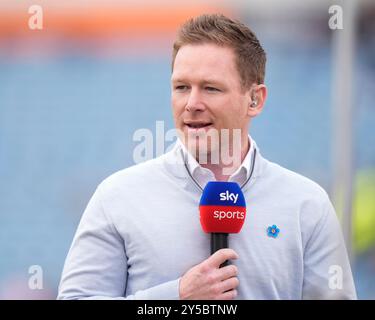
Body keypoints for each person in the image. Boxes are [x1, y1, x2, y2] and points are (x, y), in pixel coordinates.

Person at [57, 14, 356, 300]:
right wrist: (175, 297)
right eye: (181, 87)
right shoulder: (117, 198)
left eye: (210, 88)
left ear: (255, 99)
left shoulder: (307, 205)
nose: (192, 104)